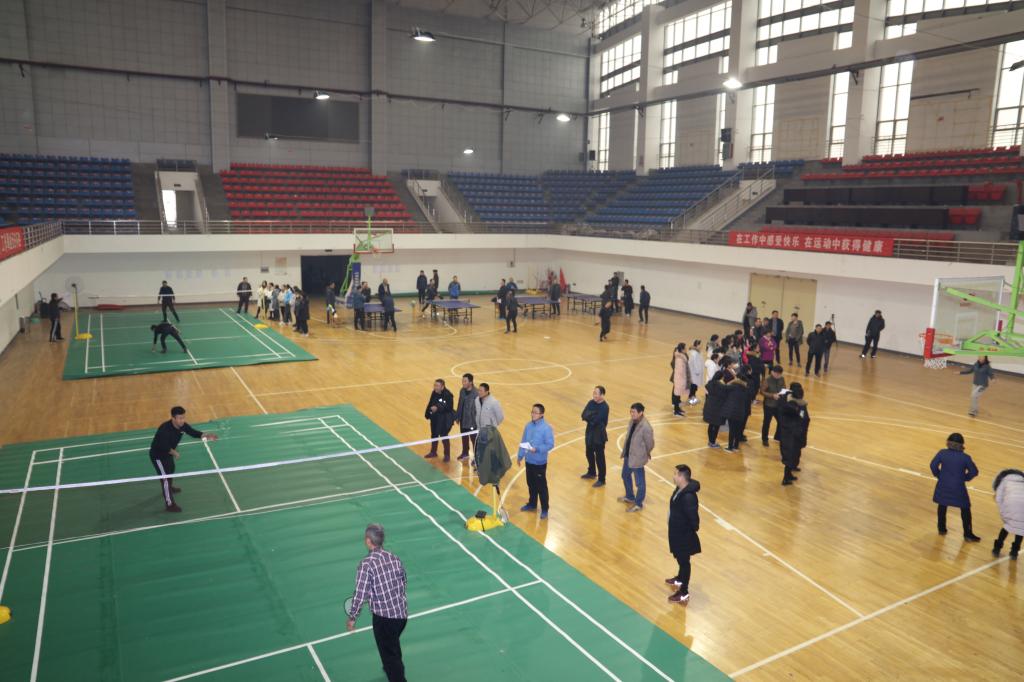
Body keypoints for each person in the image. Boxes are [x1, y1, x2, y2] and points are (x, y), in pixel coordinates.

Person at [345, 524, 408, 682]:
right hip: (402, 615)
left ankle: (394, 671)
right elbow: (403, 581)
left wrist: (352, 617)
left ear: (368, 541)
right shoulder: (394, 557)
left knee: (390, 655)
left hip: (385, 620)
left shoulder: (366, 565)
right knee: (392, 646)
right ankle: (390, 666)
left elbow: (360, 595)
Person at [149, 406, 217, 512]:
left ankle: (169, 487)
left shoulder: (182, 425)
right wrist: (174, 452)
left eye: (183, 417)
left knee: (171, 469)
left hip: (168, 454)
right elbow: (162, 446)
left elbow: (193, 432)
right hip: (158, 455)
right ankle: (170, 504)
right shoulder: (164, 429)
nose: (182, 420)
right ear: (173, 418)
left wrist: (206, 435)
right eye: (180, 418)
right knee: (165, 478)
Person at [931, 433, 981, 541]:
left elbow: (933, 465)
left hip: (943, 485)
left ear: (948, 442)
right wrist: (965, 478)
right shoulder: (965, 457)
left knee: (942, 505)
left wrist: (939, 475)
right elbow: (974, 471)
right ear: (961, 444)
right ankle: (967, 534)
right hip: (958, 487)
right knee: (965, 508)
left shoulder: (942, 453)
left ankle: (941, 529)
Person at [666, 464, 701, 605]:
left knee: (684, 562)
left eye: (676, 474)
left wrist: (684, 530)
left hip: (683, 535)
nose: (674, 476)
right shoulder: (679, 489)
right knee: (680, 558)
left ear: (682, 477)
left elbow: (694, 521)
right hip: (676, 532)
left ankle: (684, 592)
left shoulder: (688, 497)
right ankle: (680, 578)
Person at [517, 404, 555, 519]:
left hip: (539, 463)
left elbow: (550, 444)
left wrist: (537, 449)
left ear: (541, 414)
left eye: (535, 412)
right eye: (532, 412)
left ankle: (545, 509)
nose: (533, 414)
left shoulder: (546, 428)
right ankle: (532, 504)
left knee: (541, 487)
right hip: (529, 461)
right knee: (531, 484)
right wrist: (520, 456)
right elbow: (523, 441)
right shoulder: (528, 426)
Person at [618, 402, 654, 512]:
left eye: (633, 412)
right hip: (628, 455)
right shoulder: (632, 421)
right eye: (631, 411)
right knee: (625, 475)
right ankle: (630, 496)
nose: (631, 414)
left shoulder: (646, 427)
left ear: (640, 413)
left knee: (640, 483)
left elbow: (650, 444)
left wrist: (645, 453)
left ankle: (638, 504)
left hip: (637, 458)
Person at [778, 383, 810, 485]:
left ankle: (789, 475)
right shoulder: (792, 406)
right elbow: (802, 418)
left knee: (793, 455)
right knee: (790, 455)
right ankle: (785, 478)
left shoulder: (790, 403)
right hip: (791, 435)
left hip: (794, 434)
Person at [992, 468, 1024, 559]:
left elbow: (998, 498)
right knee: (1021, 528)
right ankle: (1014, 552)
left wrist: (1003, 511)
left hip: (1009, 506)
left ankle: (997, 548)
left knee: (1007, 526)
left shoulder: (1004, 480)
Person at [580, 386, 609, 487]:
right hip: (589, 432)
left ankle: (602, 479)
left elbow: (596, 420)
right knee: (588, 453)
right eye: (594, 393)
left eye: (596, 393)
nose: (594, 395)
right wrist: (591, 416)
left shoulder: (605, 407)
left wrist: (590, 415)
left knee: (600, 457)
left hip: (599, 434)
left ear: (602, 395)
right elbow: (583, 415)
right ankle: (592, 472)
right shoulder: (591, 402)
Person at [424, 379, 455, 461]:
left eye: (437, 386)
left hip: (444, 419)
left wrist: (437, 407)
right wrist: (427, 414)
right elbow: (430, 403)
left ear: (442, 387)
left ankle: (447, 455)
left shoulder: (448, 395)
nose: (435, 387)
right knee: (434, 435)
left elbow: (449, 407)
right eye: (434, 385)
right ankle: (433, 452)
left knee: (444, 436)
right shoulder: (434, 392)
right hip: (435, 418)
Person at [721, 373, 748, 452]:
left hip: (732, 411)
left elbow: (724, 387)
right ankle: (736, 446)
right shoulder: (745, 389)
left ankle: (730, 447)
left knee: (732, 430)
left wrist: (732, 381)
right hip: (741, 411)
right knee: (738, 430)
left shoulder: (733, 386)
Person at [760, 365, 785, 446]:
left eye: (779, 374)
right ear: (772, 372)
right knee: (767, 422)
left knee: (781, 421)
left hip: (778, 405)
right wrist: (772, 395)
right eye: (776, 374)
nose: (778, 376)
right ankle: (765, 439)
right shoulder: (767, 380)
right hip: (769, 405)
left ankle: (778, 436)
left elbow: (784, 387)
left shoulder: (782, 379)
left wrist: (783, 393)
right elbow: (762, 391)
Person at [455, 373, 478, 461]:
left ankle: (477, 457)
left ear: (471, 382)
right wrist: (458, 416)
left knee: (474, 440)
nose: (463, 383)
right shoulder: (462, 391)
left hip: (472, 422)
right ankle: (465, 453)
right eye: (462, 381)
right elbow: (460, 404)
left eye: (465, 381)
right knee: (464, 437)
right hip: (463, 419)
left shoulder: (476, 393)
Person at [671, 343, 690, 417]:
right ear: (682, 349)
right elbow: (681, 371)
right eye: (685, 348)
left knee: (678, 395)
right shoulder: (679, 359)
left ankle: (678, 409)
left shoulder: (682, 356)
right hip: (679, 379)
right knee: (676, 395)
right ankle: (676, 411)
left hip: (681, 379)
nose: (686, 349)